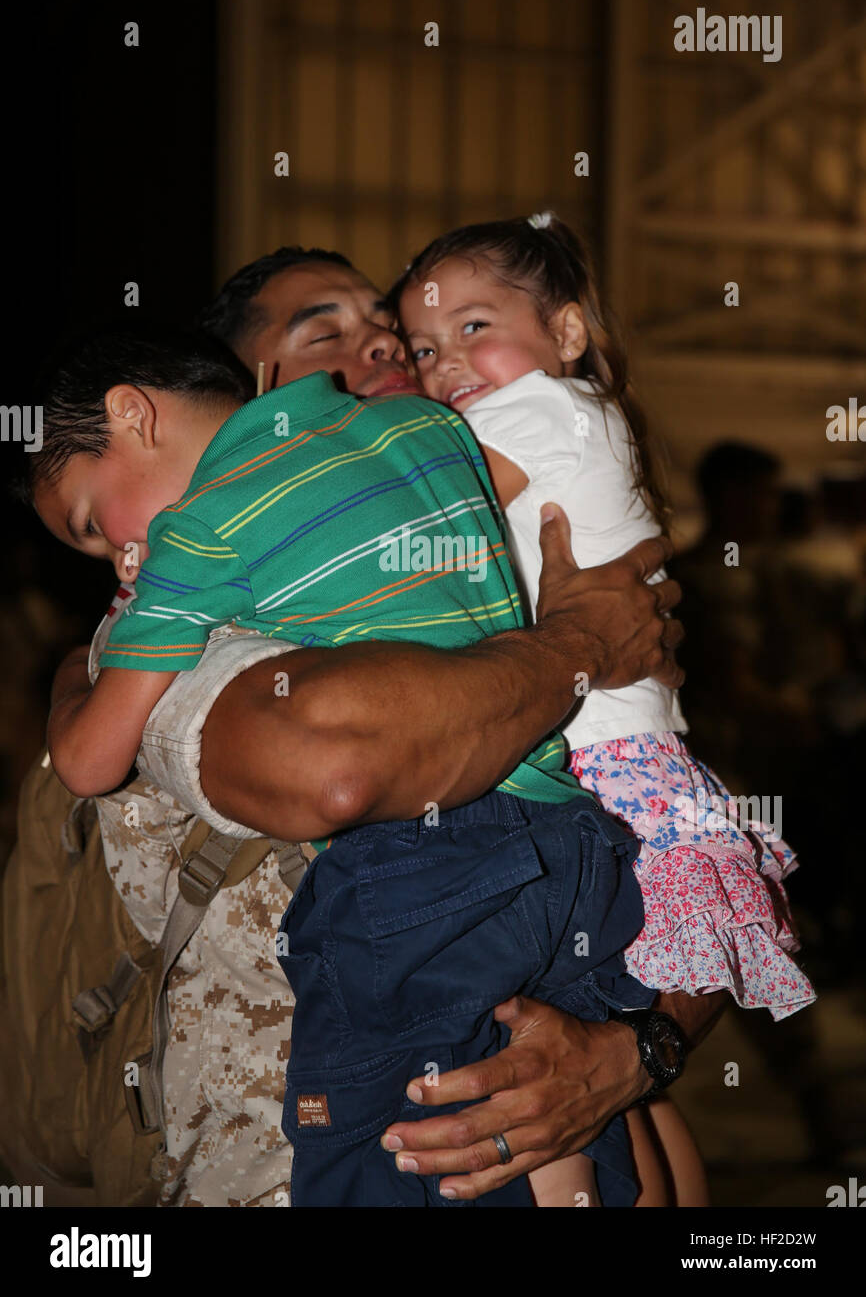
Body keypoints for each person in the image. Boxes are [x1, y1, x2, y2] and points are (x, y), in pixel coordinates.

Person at [17, 248, 709, 1207]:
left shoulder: (488, 572)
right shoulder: (189, 623)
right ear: (248, 388)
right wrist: (578, 646)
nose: (385, 343)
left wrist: (635, 1055)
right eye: (325, 334)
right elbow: (336, 767)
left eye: (391, 327)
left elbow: (695, 887)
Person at [394, 214, 816, 1189]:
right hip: (615, 763)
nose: (442, 361)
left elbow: (414, 524)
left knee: (541, 1052)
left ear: (568, 333)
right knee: (592, 1060)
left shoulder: (535, 409)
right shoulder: (562, 414)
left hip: (596, 771)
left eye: (472, 326)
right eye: (422, 346)